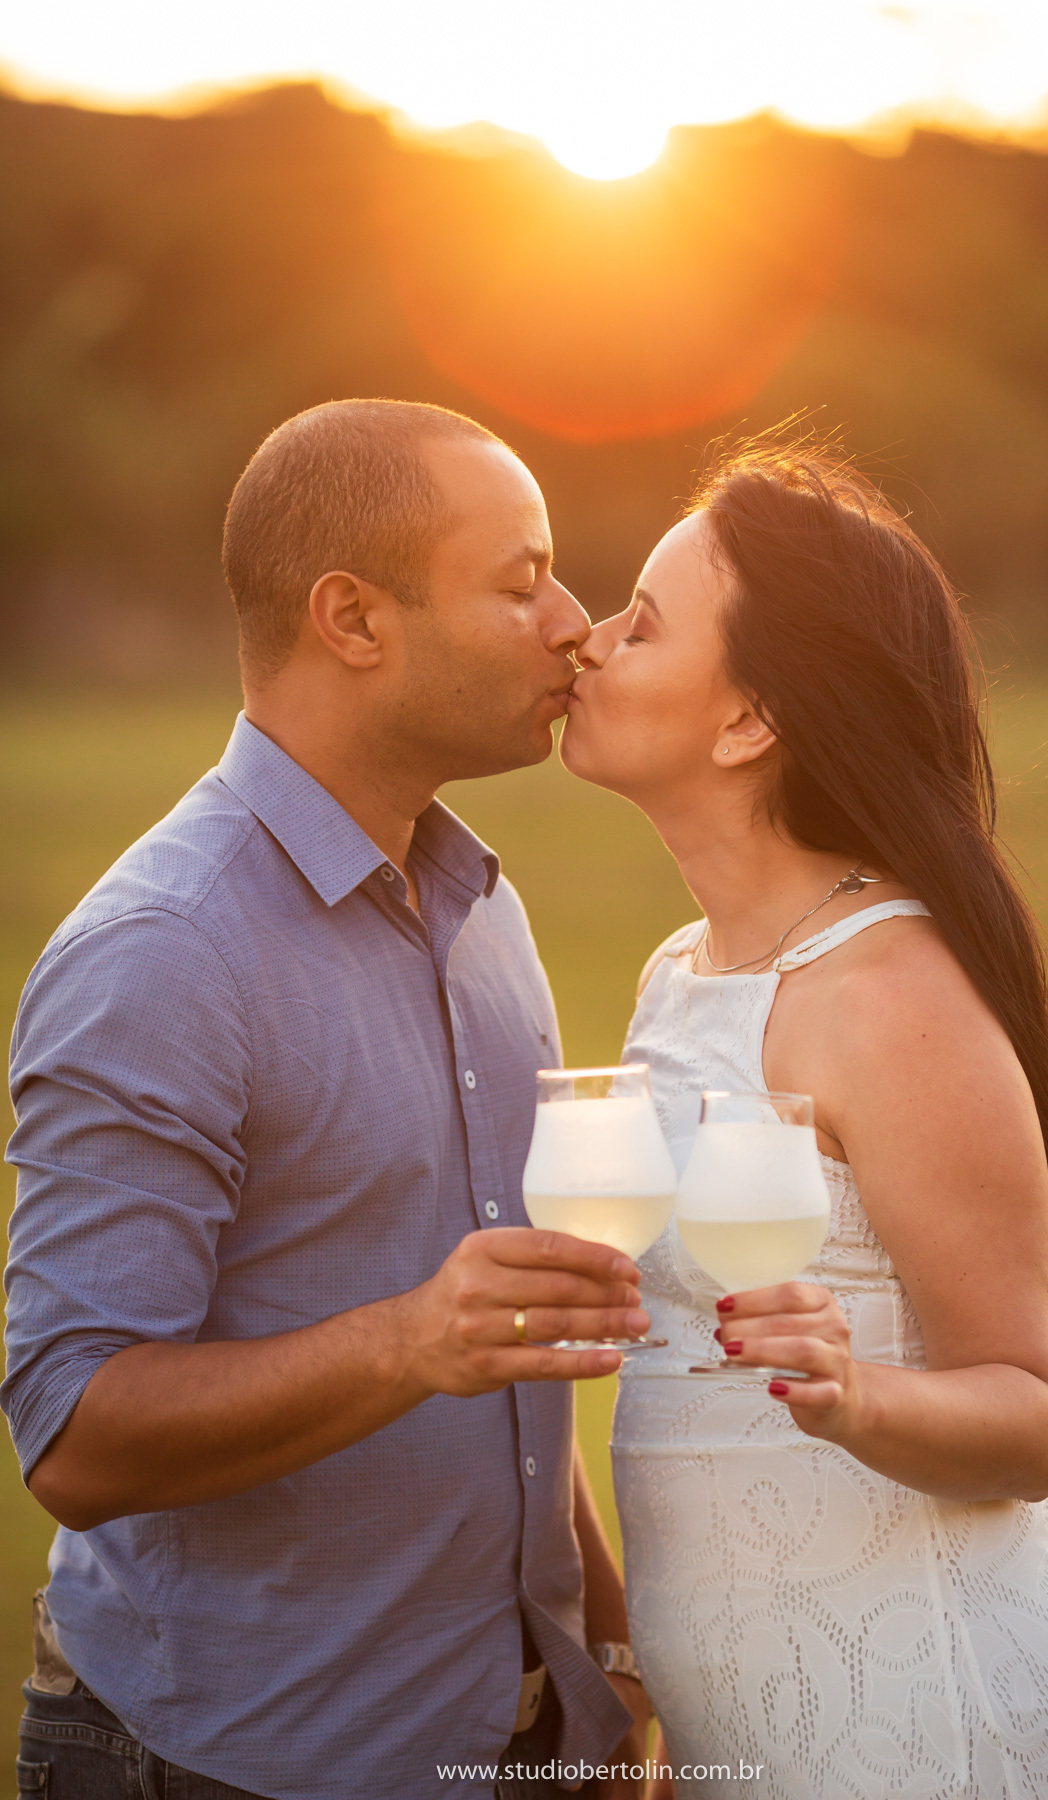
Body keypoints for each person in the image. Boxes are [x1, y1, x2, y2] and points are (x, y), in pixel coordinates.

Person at [3, 399, 653, 1800]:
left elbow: (503, 1342)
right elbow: (71, 1429)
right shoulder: (162, 954)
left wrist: (603, 1660)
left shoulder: (482, 907)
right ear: (354, 620)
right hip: (226, 1765)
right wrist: (411, 1340)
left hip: (519, 1742)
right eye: (522, 583)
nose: (574, 626)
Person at [559, 436, 1048, 1798]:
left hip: (942, 1731)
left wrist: (854, 1394)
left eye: (640, 624)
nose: (589, 641)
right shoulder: (677, 974)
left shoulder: (891, 997)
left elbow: (1029, 1418)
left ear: (748, 721)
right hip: (757, 1736)